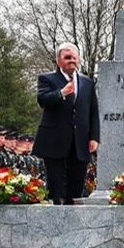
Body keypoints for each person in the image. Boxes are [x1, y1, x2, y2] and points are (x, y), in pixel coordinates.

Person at [32, 42, 99, 204]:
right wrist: (61, 93)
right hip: (54, 140)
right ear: (58, 60)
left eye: (74, 58)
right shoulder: (47, 79)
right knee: (57, 189)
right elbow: (43, 99)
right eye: (67, 57)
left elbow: (93, 112)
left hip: (80, 142)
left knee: (76, 188)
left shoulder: (87, 82)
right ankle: (57, 215)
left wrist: (94, 138)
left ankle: (73, 217)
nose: (71, 60)